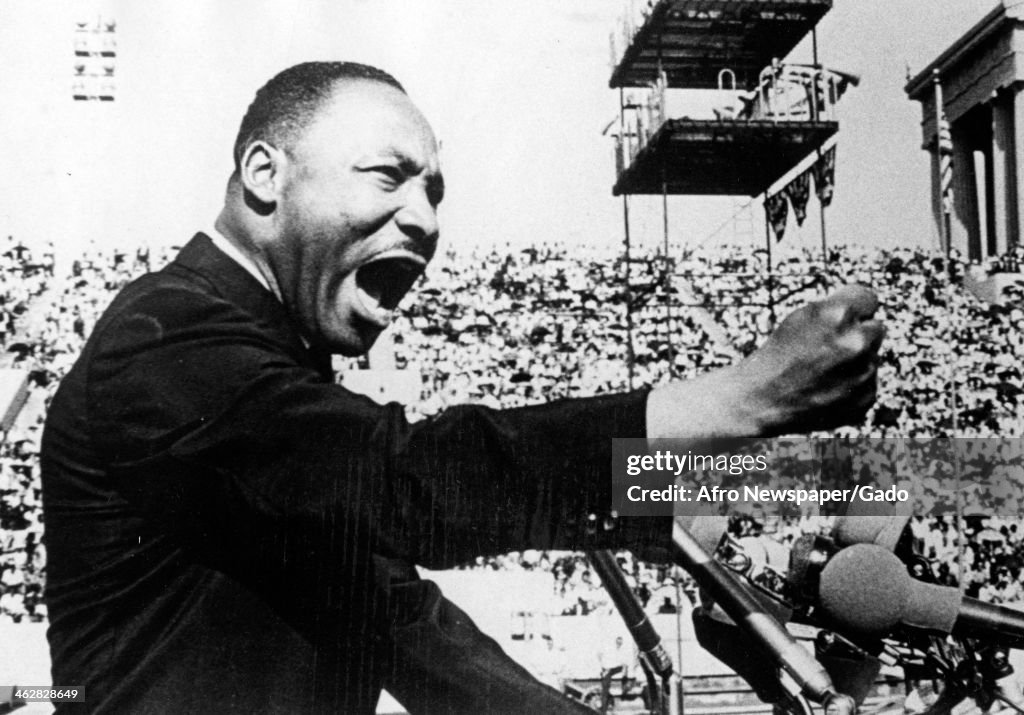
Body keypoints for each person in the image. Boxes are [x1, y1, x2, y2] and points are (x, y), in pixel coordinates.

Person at [41, 61, 883, 713]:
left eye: (434, 190)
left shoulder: (283, 395)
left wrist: (657, 485)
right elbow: (410, 481)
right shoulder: (163, 336)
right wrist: (740, 399)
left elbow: (421, 636)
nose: (427, 218)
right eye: (387, 175)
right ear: (266, 173)